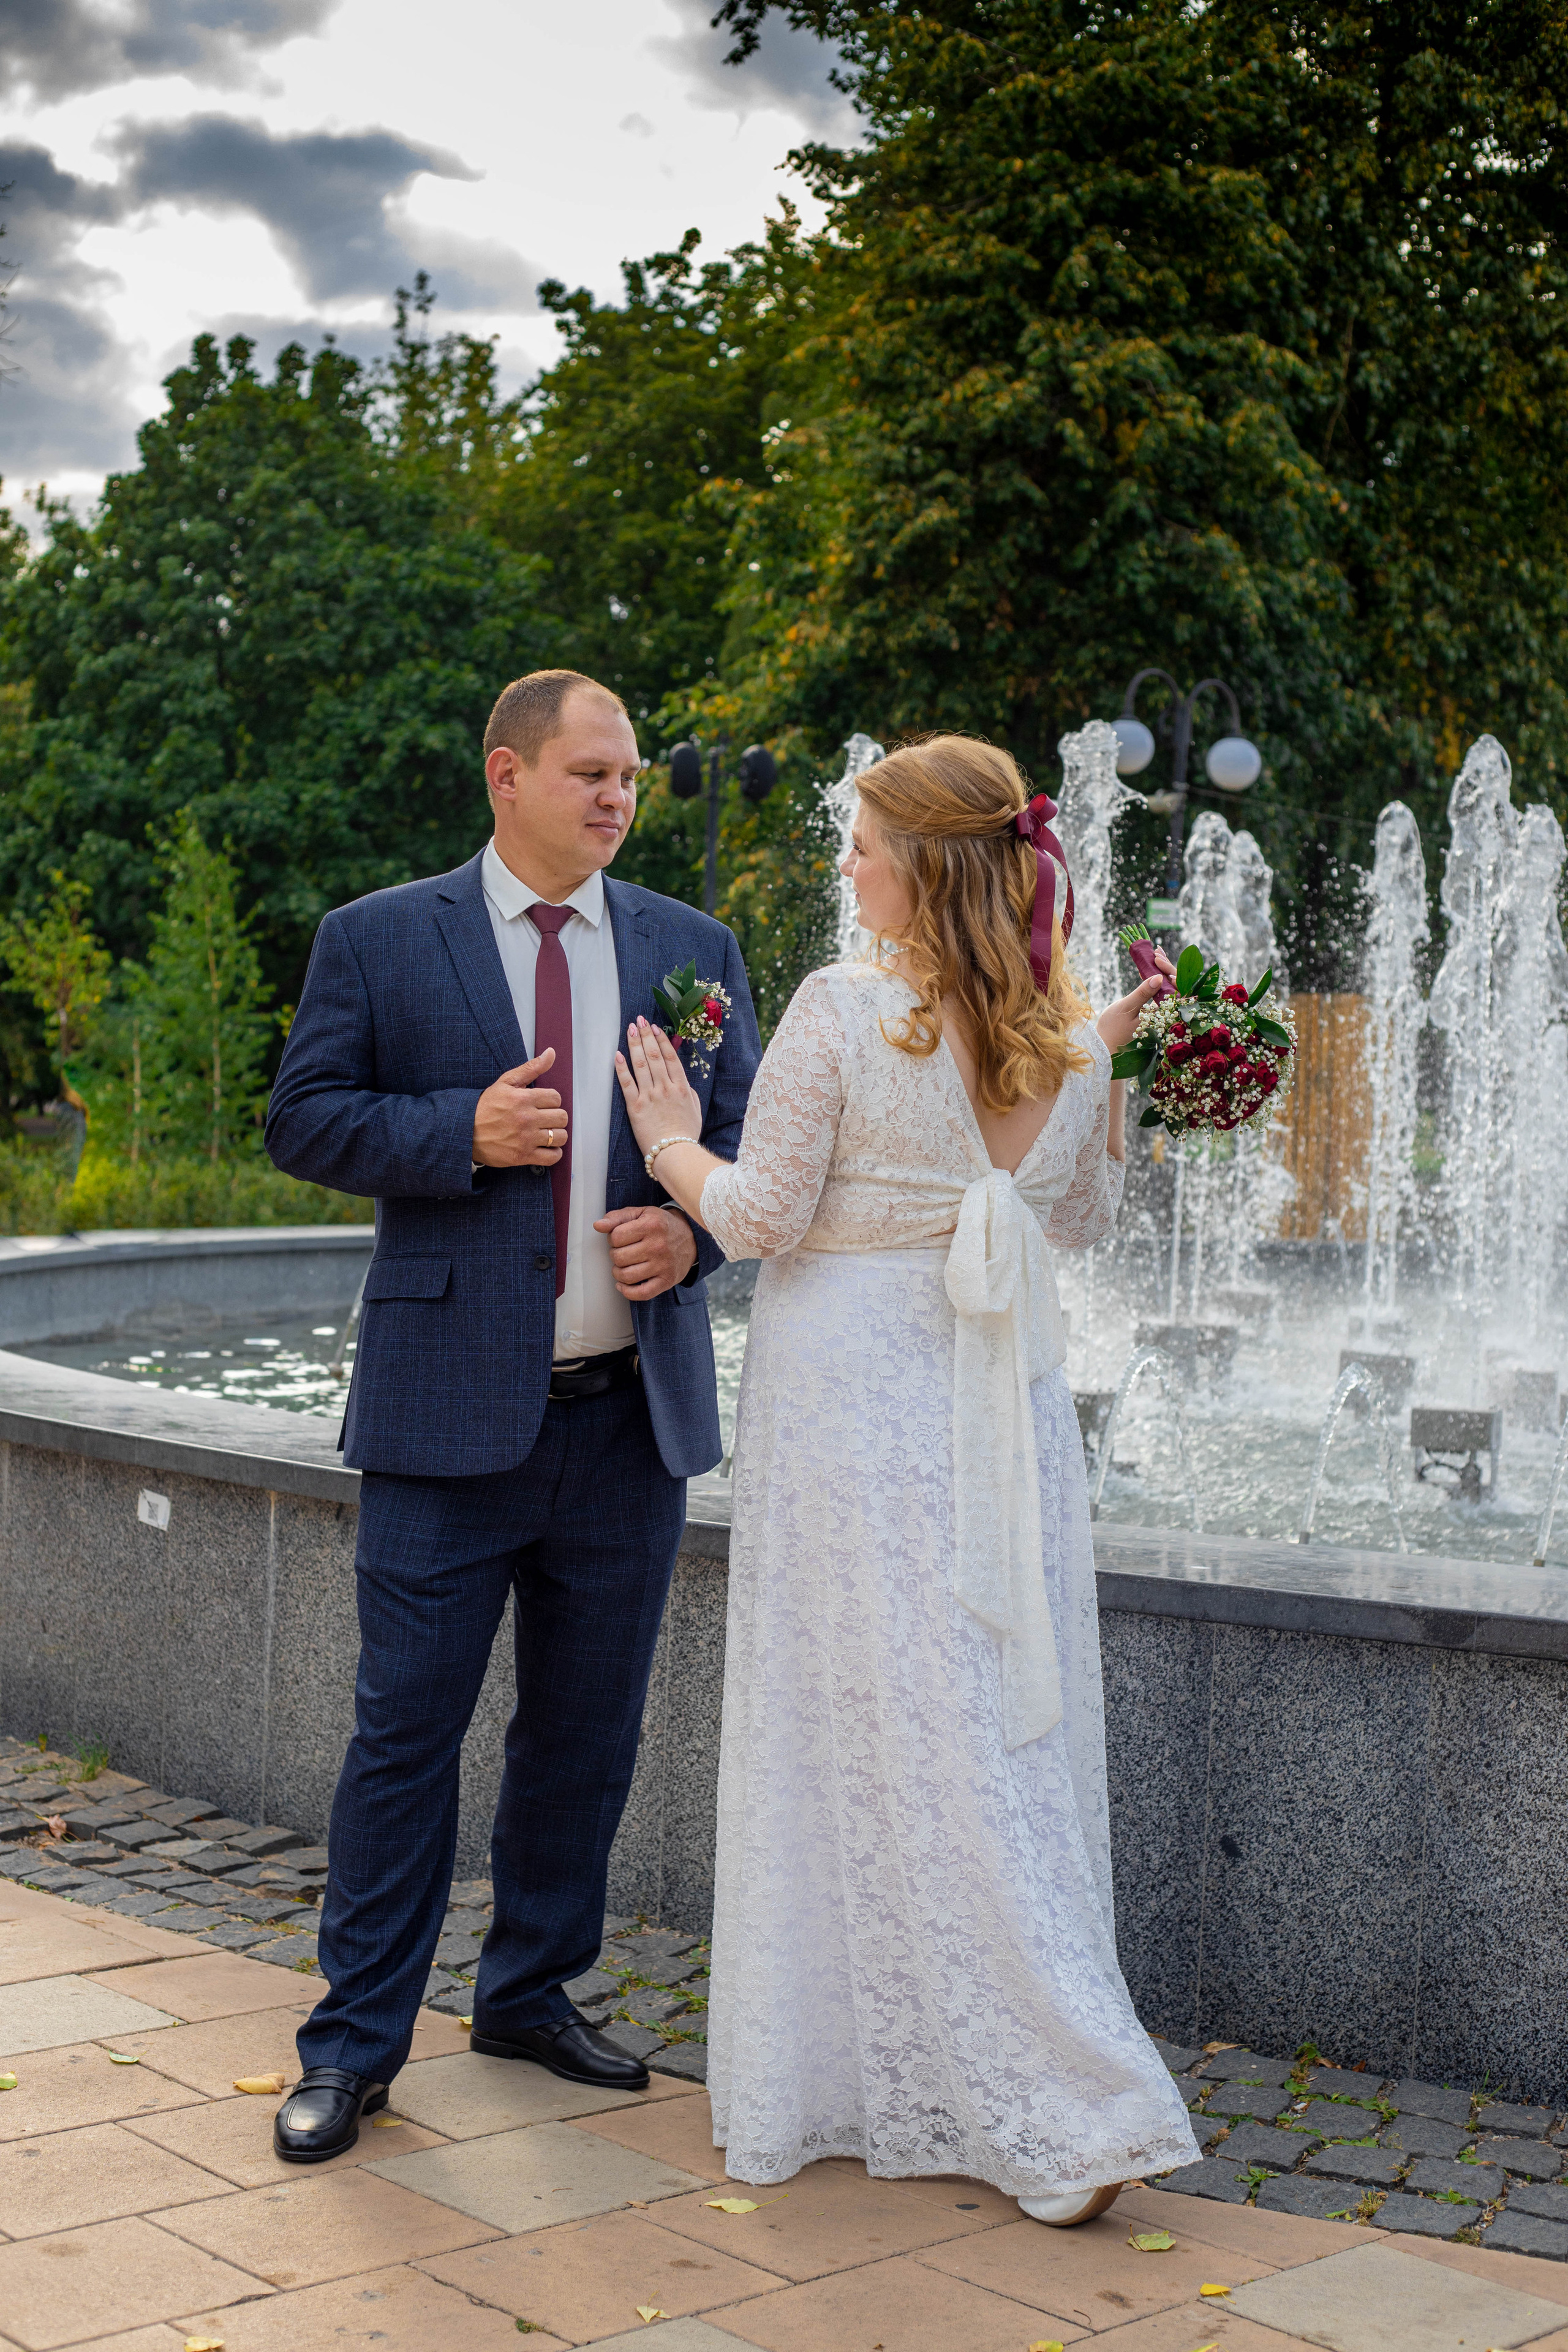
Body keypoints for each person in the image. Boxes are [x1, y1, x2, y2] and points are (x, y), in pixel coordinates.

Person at [612, 731, 1200, 2222]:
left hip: (859, 1405)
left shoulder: (841, 1007)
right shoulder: (1063, 1042)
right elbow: (1066, 1221)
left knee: (865, 1723)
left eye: (864, 844)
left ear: (926, 866)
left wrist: (674, 1145)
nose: (844, 864)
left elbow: (757, 1215)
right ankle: (976, 2078)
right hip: (989, 1402)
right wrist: (1105, 1048)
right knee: (975, 1721)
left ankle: (1057, 2096)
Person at [263, 668, 760, 2162]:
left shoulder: (691, 948)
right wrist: (454, 1132)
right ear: (507, 776)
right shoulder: (379, 938)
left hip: (628, 1424)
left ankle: (530, 1995)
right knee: (403, 1739)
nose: (617, 796)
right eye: (589, 773)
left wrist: (701, 1239)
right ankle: (353, 2048)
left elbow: (743, 1144)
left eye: (627, 778)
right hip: (441, 1420)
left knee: (584, 1735)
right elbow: (303, 1119)